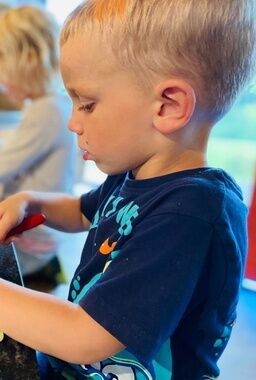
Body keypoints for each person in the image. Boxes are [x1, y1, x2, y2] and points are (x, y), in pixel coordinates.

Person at [0, 0, 255, 379]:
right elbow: (83, 211)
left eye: (87, 104)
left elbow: (85, 335)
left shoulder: (193, 212)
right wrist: (31, 201)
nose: (73, 122)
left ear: (168, 106)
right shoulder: (134, 174)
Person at [0, 6, 77, 288]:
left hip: (28, 244)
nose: (2, 83)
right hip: (43, 239)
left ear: (28, 62)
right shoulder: (53, 106)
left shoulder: (46, 113)